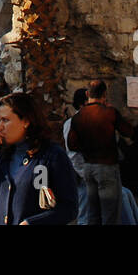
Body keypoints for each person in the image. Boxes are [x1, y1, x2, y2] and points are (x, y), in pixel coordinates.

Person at [0, 92, 77, 225]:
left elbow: (69, 208)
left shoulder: (51, 156)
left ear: (26, 121)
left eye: (5, 120)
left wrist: (32, 223)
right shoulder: (4, 158)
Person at [66, 78, 132, 225]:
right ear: (104, 95)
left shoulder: (78, 117)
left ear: (88, 94)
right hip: (107, 166)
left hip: (89, 168)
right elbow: (128, 131)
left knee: (93, 213)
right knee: (110, 214)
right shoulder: (109, 113)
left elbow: (72, 145)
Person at [62, 89, 89, 224]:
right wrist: (85, 174)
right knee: (85, 214)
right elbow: (73, 154)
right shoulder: (73, 123)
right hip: (84, 175)